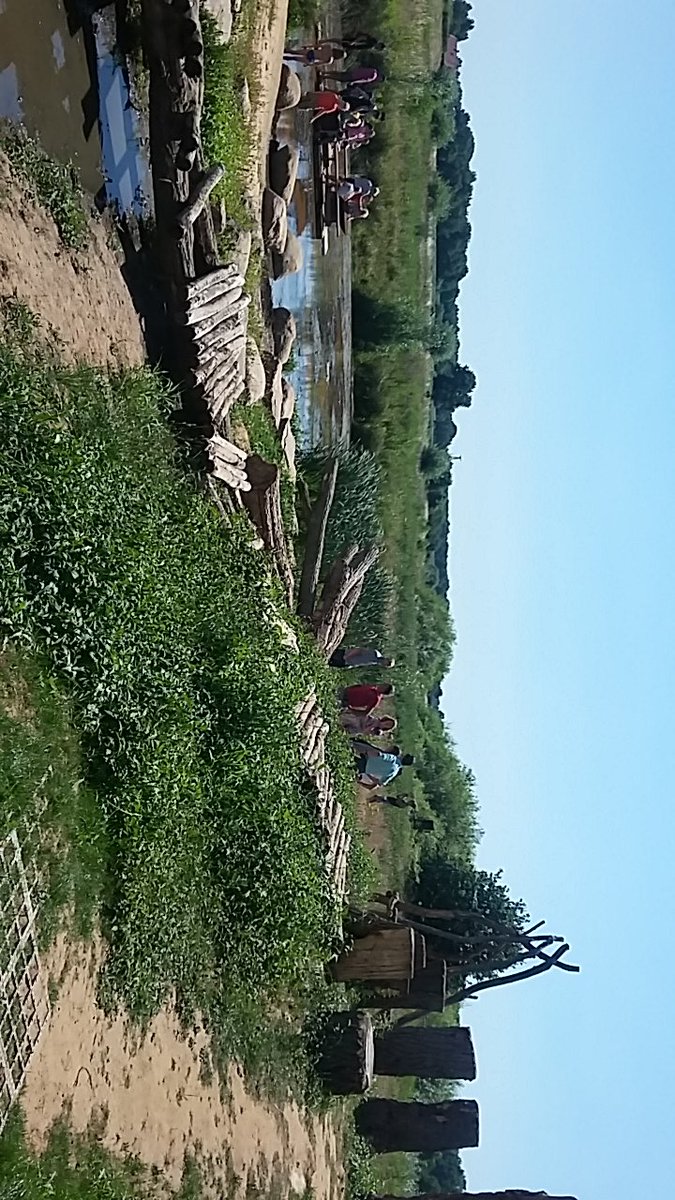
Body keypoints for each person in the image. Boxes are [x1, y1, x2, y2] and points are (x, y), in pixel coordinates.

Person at [329, 646, 395, 668]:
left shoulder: (375, 662)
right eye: (387, 663)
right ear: (387, 659)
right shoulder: (375, 654)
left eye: (387, 666)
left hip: (347, 663)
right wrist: (347, 656)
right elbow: (359, 650)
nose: (385, 665)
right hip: (344, 656)